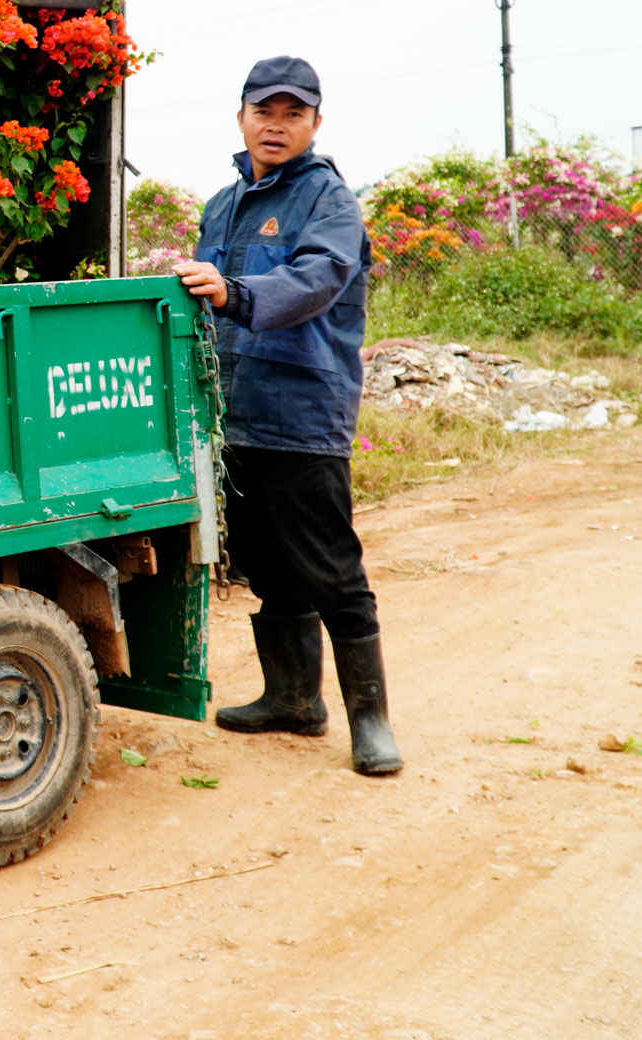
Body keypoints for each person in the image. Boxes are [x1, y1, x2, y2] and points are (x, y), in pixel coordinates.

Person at [172, 55, 402, 776]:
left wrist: (234, 294)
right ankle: (294, 699)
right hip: (233, 414)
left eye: (292, 113)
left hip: (302, 412)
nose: (276, 126)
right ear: (241, 116)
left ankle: (371, 719)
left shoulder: (328, 200)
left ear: (315, 123)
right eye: (264, 112)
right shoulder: (222, 202)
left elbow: (317, 278)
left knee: (332, 570)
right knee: (267, 565)